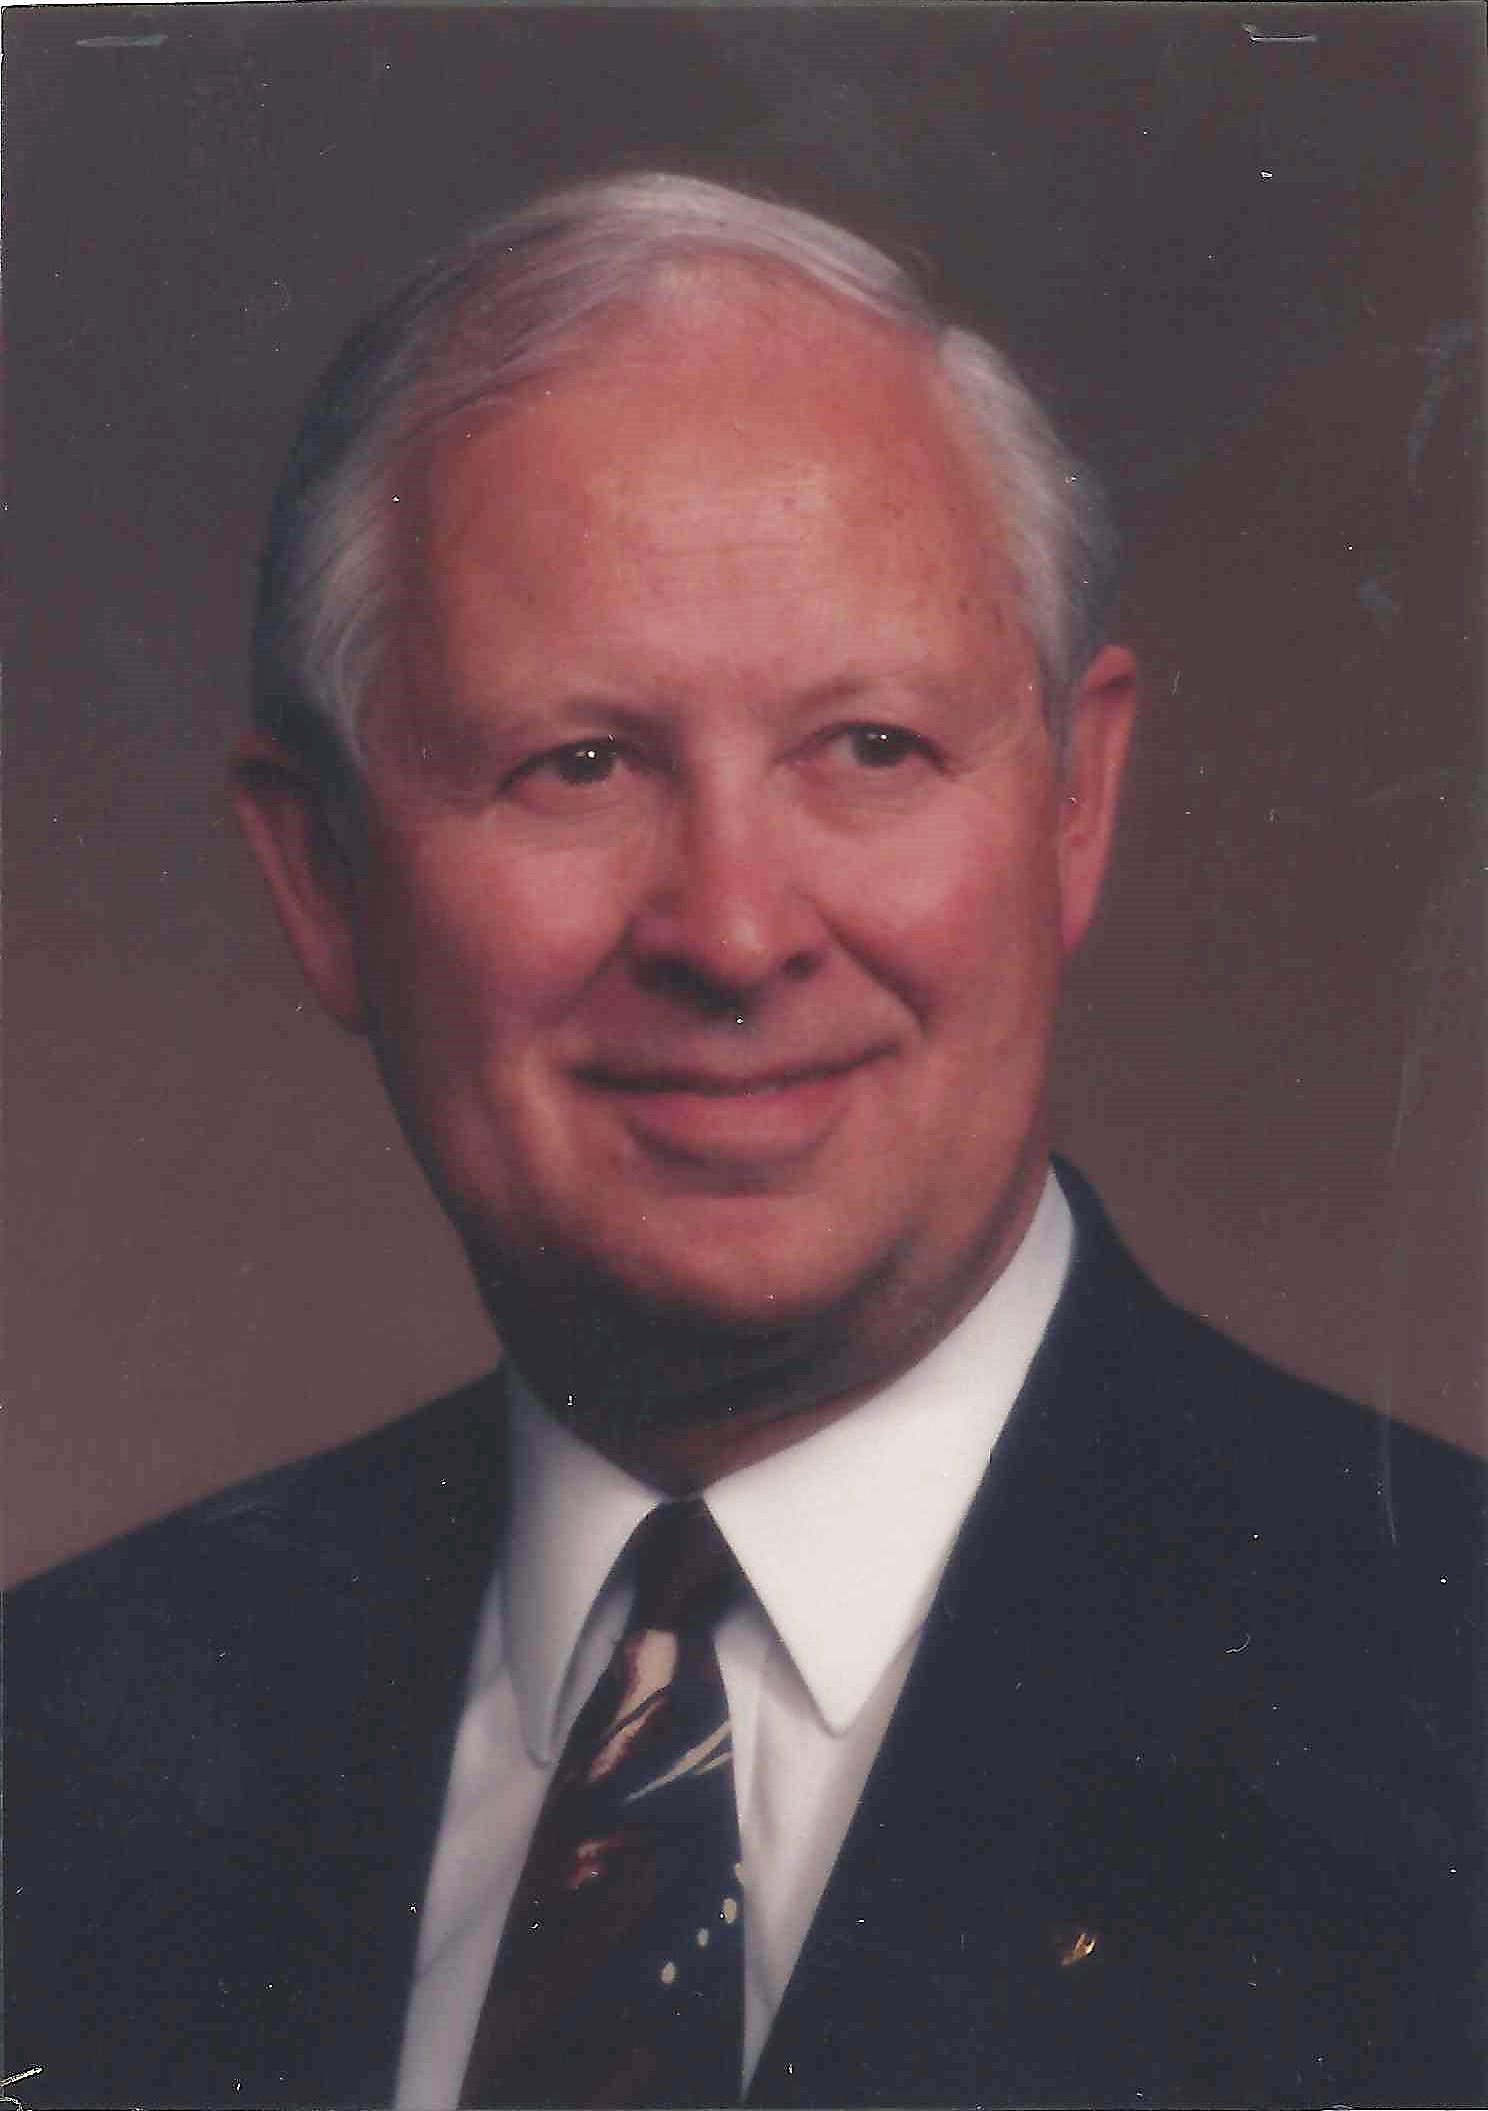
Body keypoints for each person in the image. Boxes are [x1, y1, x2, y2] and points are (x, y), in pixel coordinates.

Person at [6, 172, 1483, 2111]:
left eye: (870, 747)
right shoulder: (54, 1763)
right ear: (322, 877)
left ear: (1076, 802)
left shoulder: (1445, 1715)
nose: (732, 929)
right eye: (577, 763)